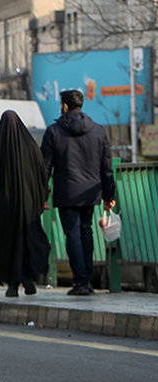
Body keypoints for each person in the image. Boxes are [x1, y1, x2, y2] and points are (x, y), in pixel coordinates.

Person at [40, 89, 116, 296]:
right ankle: (86, 280)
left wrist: (42, 196)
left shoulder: (53, 132)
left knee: (72, 234)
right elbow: (107, 168)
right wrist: (110, 196)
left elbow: (45, 168)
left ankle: (80, 281)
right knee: (86, 232)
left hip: (66, 193)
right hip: (90, 194)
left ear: (64, 106)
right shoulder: (98, 131)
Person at [0, 110, 51, 297]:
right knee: (27, 241)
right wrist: (43, 198)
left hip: (3, 209)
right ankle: (28, 279)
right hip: (28, 208)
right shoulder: (31, 147)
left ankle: (12, 284)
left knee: (7, 243)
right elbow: (41, 175)